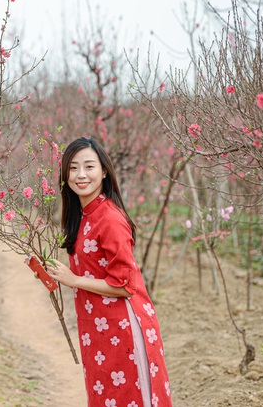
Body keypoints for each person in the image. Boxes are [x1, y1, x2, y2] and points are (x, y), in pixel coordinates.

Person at [46, 136, 172, 407]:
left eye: (89, 167)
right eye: (73, 168)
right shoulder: (83, 216)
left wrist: (75, 280)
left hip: (124, 326)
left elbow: (124, 285)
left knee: (132, 399)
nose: (81, 175)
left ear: (104, 171)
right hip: (98, 326)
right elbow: (91, 267)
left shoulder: (110, 218)